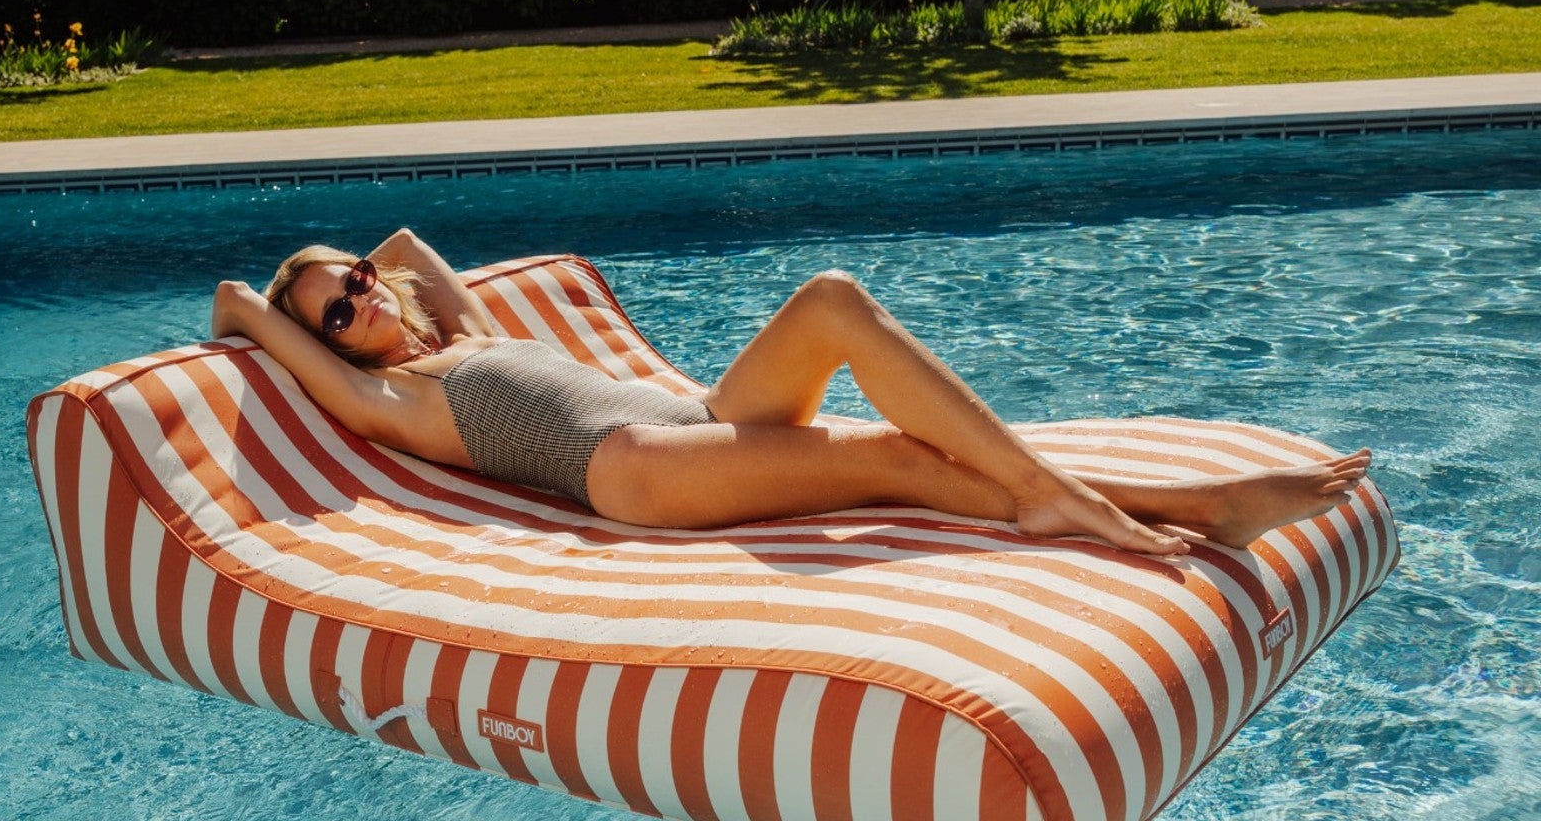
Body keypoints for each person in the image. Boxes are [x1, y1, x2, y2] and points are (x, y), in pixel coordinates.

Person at [210, 228, 1371, 554]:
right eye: (335, 313)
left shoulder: (457, 332)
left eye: (352, 281)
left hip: (695, 423)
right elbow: (232, 303)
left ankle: (1091, 498)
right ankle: (1159, 508)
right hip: (631, 474)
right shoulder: (392, 403)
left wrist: (363, 273)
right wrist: (277, 304)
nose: (359, 298)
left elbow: (407, 246)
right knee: (894, 459)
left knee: (831, 299)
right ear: (328, 348)